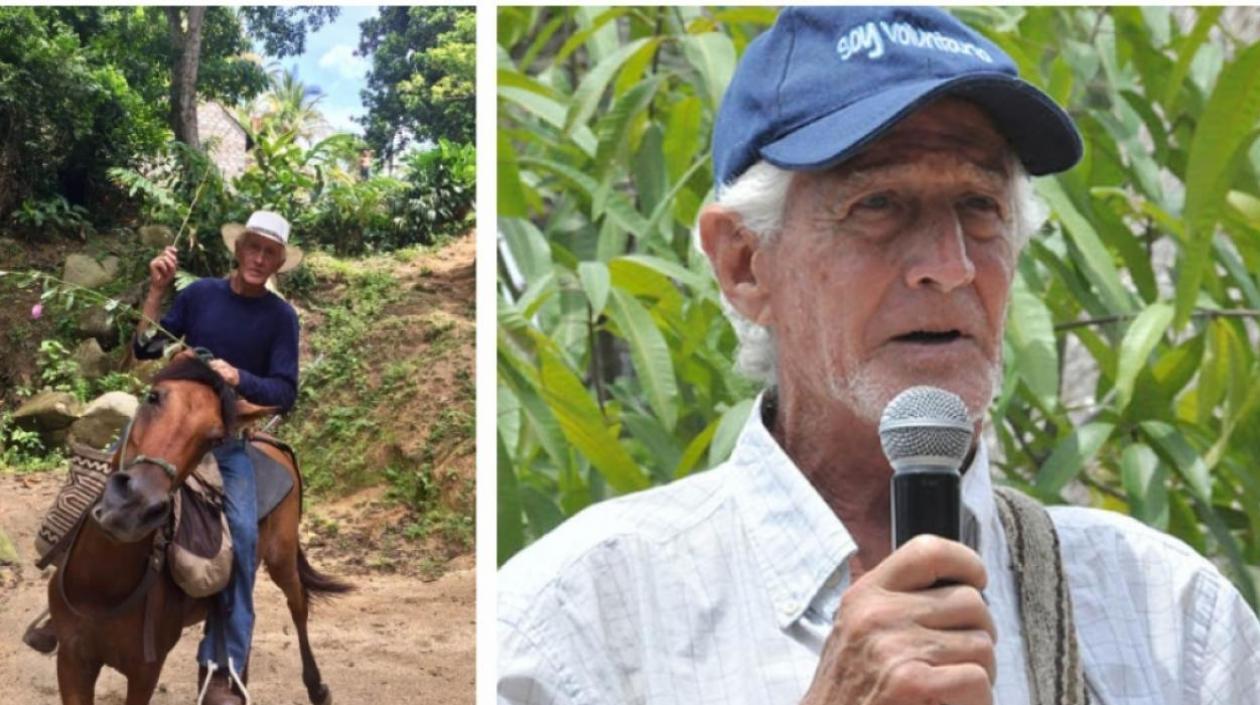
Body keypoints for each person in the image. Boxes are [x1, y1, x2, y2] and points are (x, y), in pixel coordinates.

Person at [498, 7, 1260, 705]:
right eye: (880, 204)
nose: (949, 264)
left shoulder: (1168, 618)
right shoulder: (575, 623)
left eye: (979, 207)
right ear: (745, 264)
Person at [139, 210, 301, 705]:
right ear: (239, 248)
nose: (258, 258)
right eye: (253, 247)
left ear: (277, 262)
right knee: (100, 484)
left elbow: (285, 391)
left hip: (226, 443)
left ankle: (224, 665)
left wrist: (238, 379)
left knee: (246, 538)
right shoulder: (199, 295)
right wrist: (156, 289)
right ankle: (66, 608)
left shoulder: (281, 318)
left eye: (269, 252)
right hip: (169, 427)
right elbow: (146, 346)